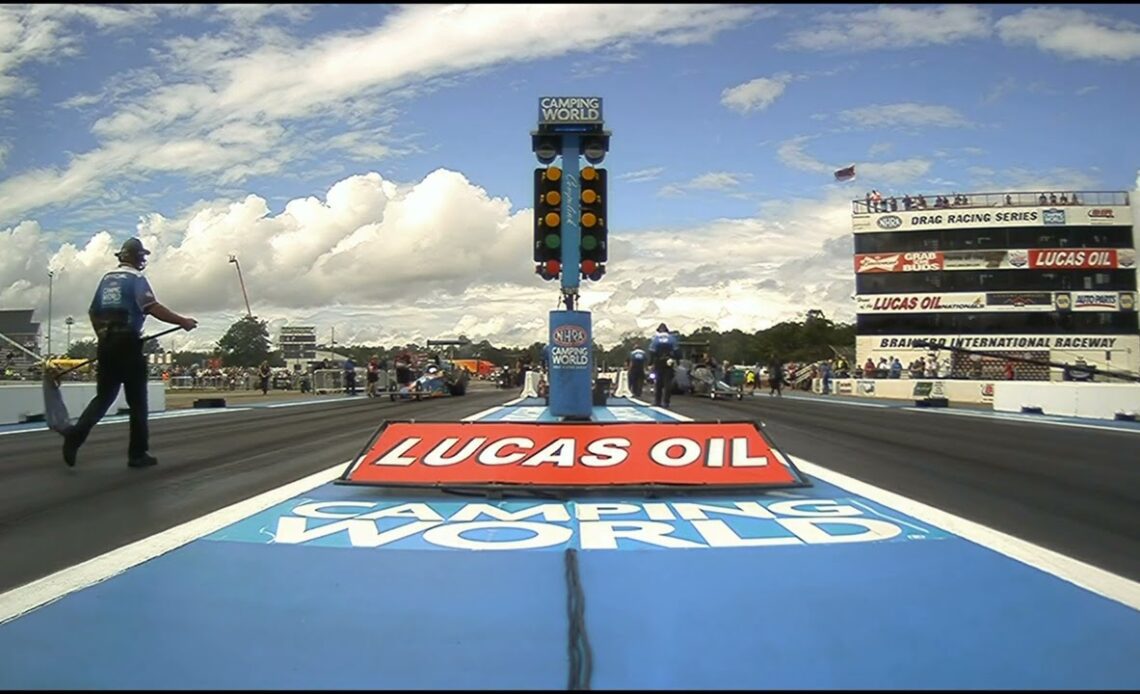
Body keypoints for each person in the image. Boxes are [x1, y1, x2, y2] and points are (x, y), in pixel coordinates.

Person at [62, 238, 197, 468]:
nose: (143, 260)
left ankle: (75, 437)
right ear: (135, 257)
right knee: (138, 402)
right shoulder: (137, 279)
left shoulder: (106, 279)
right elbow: (152, 307)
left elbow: (93, 311)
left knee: (103, 398)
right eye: (142, 256)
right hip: (128, 344)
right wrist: (182, 321)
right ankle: (137, 454)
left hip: (106, 343)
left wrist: (103, 335)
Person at [647, 323, 680, 408]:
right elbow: (676, 350)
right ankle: (666, 402)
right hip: (669, 361)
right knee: (667, 383)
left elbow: (652, 351)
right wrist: (677, 361)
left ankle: (658, 401)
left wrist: (650, 363)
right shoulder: (672, 338)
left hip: (659, 361)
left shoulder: (656, 339)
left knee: (658, 382)